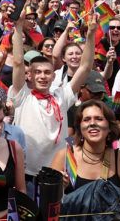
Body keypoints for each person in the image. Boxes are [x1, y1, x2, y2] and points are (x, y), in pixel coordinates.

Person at [8, 13, 97, 187]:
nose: (42, 76)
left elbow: (85, 67)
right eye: (38, 72)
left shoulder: (61, 96)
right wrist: (18, 28)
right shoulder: (22, 95)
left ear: (53, 75)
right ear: (30, 75)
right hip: (25, 173)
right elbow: (18, 62)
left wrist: (91, 34)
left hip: (56, 173)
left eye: (47, 72)